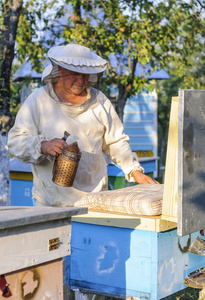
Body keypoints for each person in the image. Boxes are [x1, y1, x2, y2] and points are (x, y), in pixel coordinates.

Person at [8, 44, 158, 207]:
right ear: (60, 69)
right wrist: (43, 146)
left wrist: (134, 170)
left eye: (85, 75)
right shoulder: (38, 100)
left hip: (95, 201)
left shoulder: (100, 100)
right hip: (51, 203)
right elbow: (16, 141)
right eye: (75, 74)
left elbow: (116, 142)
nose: (81, 81)